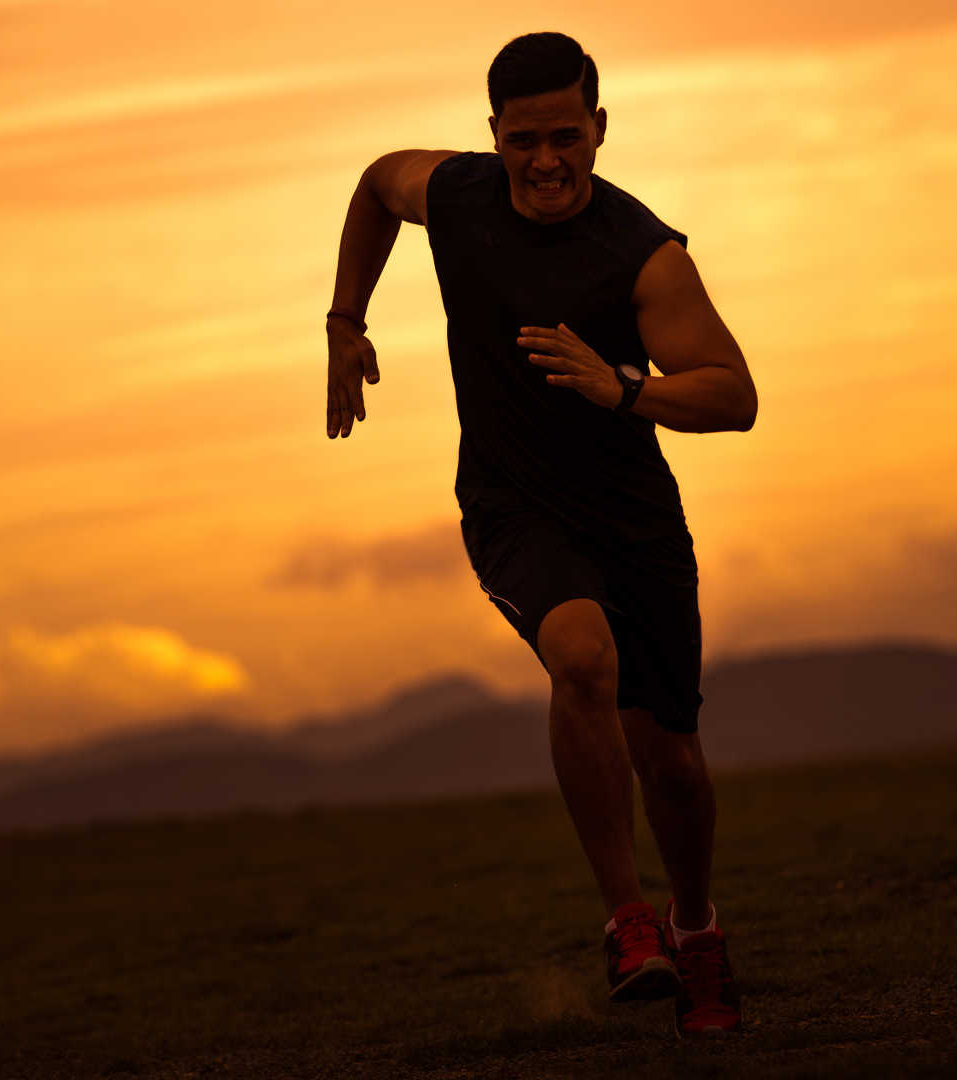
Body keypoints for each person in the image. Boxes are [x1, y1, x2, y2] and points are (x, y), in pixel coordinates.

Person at [323, 31, 756, 1037]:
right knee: (580, 655)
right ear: (494, 136)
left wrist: (623, 389)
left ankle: (696, 929)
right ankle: (629, 921)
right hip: (514, 504)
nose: (547, 161)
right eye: (524, 141)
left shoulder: (643, 253)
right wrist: (345, 321)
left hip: (634, 520)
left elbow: (734, 395)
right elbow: (378, 184)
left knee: (674, 764)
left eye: (567, 137)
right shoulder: (459, 197)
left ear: (599, 129)